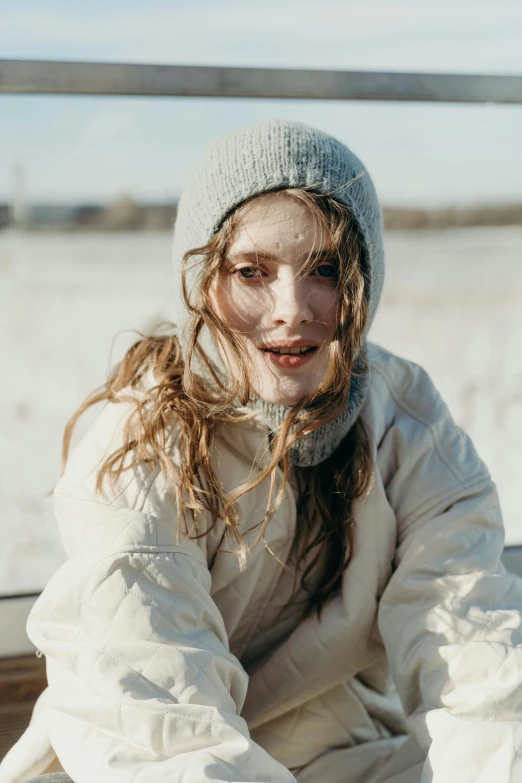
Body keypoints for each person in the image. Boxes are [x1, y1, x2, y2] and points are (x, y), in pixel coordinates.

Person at [2, 118, 521, 783]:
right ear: (202, 281)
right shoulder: (140, 448)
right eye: (253, 271)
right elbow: (162, 723)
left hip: (339, 747)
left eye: (325, 270)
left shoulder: (404, 422)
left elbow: (475, 650)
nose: (291, 308)